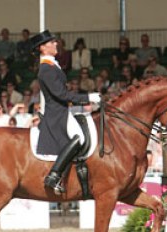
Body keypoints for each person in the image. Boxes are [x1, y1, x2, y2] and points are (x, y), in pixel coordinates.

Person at [30, 30, 101, 192]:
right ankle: (54, 175)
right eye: (52, 42)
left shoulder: (52, 65)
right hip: (57, 114)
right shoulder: (46, 68)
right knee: (80, 138)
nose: (56, 44)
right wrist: (88, 97)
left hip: (62, 111)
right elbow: (60, 94)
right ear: (42, 47)